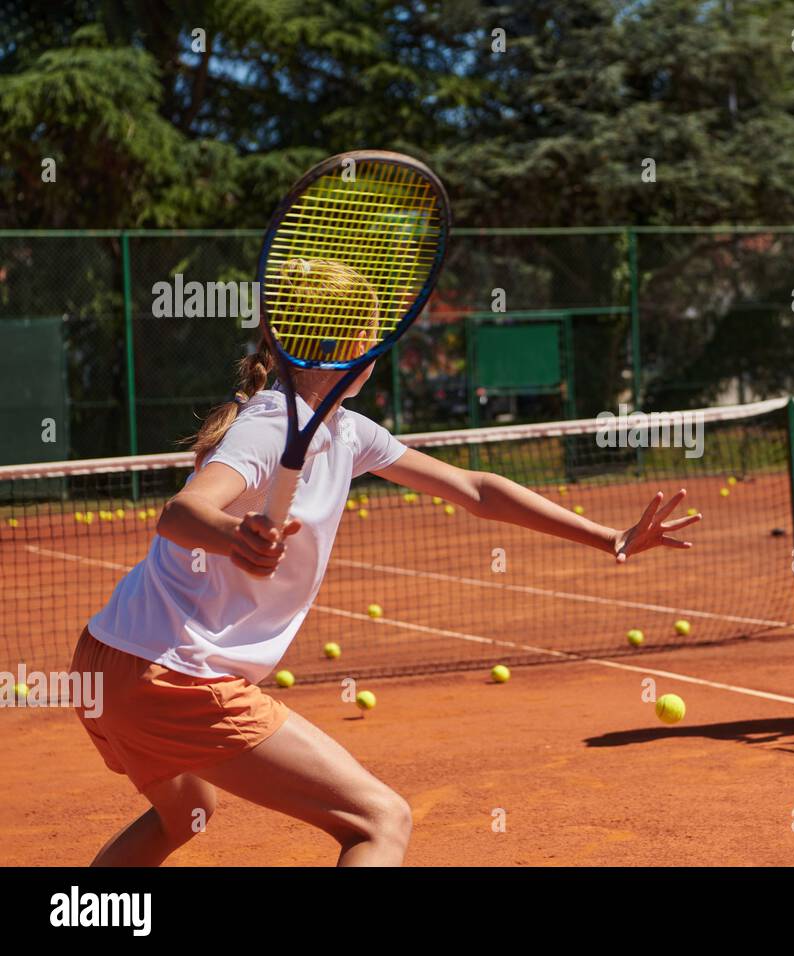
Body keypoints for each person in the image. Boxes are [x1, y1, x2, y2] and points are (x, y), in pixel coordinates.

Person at [70, 258, 700, 865]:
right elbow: (182, 512)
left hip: (107, 660)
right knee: (380, 819)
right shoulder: (267, 428)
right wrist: (236, 535)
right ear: (348, 346)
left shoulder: (347, 431)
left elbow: (476, 490)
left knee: (186, 814)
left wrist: (608, 537)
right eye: (373, 334)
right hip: (174, 677)